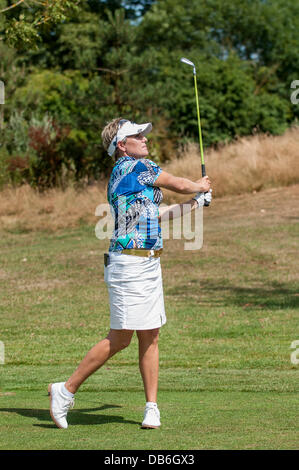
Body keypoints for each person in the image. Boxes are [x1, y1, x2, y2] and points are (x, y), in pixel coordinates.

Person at [48, 118, 212, 429]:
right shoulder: (134, 167)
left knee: (151, 334)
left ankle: (152, 408)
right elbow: (176, 181)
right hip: (128, 264)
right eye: (136, 135)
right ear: (122, 146)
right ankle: (65, 391)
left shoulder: (135, 175)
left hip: (150, 262)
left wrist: (194, 203)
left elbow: (157, 214)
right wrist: (198, 186)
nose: (144, 138)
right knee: (121, 338)